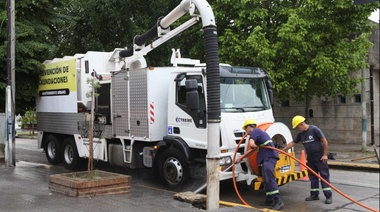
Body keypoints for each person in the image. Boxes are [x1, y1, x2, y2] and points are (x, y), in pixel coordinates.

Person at [282, 115, 333, 204]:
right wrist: (282, 150)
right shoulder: (300, 134)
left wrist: (325, 155)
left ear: (301, 124)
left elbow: (324, 141)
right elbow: (292, 143)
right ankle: (314, 195)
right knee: (313, 177)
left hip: (320, 158)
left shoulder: (314, 130)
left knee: (324, 176)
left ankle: (328, 196)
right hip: (311, 159)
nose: (297, 129)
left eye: (297, 127)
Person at [236, 119, 284, 210]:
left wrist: (254, 145)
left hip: (269, 157)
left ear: (249, 127)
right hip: (267, 157)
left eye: (246, 130)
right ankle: (270, 199)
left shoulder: (255, 131)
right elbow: (251, 151)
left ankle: (278, 201)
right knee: (266, 180)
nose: (246, 132)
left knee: (269, 179)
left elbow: (251, 144)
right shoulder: (258, 134)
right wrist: (240, 159)